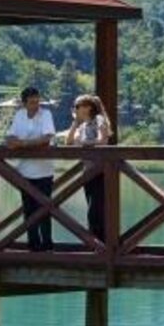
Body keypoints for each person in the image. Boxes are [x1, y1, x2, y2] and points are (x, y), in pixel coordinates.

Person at [4, 86, 58, 251]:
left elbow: (47, 138)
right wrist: (25, 143)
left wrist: (23, 144)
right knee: (28, 210)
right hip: (24, 170)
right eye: (32, 102)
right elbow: (10, 137)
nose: (36, 105)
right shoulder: (20, 115)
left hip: (44, 171)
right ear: (24, 103)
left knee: (44, 209)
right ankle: (33, 245)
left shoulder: (46, 114)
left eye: (37, 101)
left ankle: (47, 244)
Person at [63, 93, 113, 242]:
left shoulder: (99, 120)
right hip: (88, 173)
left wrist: (85, 145)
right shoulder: (83, 125)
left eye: (78, 106)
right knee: (92, 209)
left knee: (96, 211)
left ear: (88, 107)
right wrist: (75, 123)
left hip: (100, 172)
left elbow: (102, 141)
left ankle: (101, 245)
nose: (75, 109)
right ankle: (95, 245)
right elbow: (69, 142)